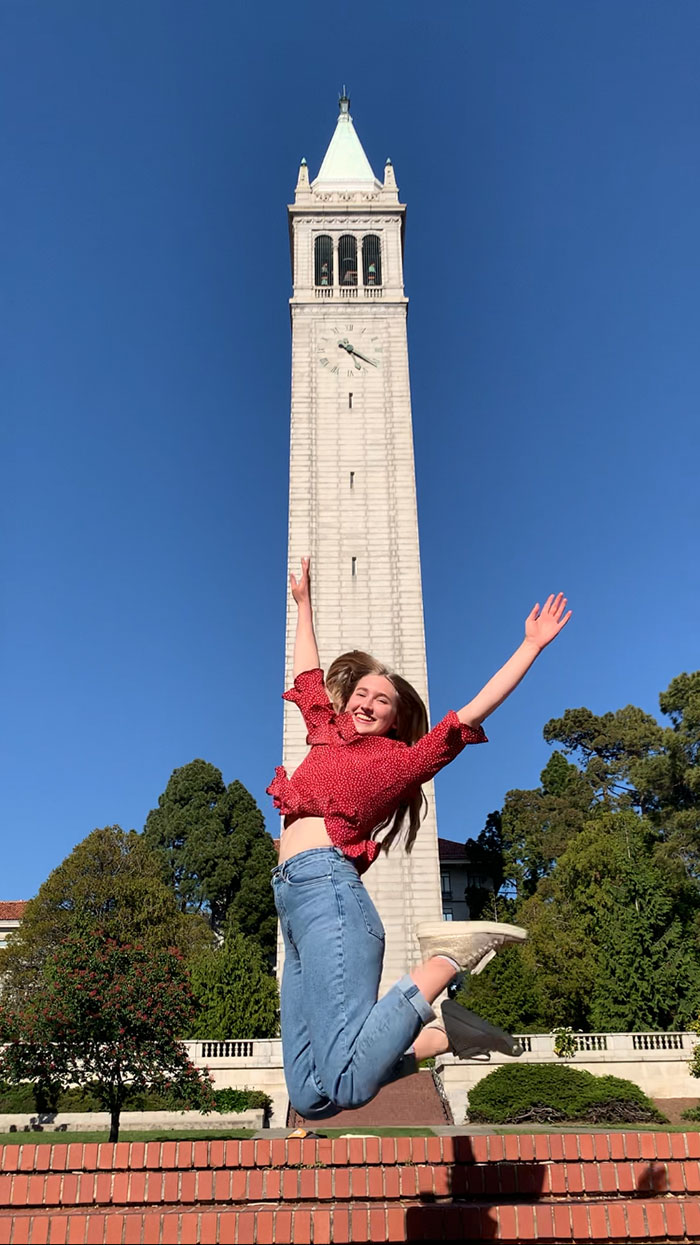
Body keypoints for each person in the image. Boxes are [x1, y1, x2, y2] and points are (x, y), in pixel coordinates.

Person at [268, 558, 571, 1119]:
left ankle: (444, 963)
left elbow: (468, 715)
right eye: (360, 692)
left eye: (381, 700)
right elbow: (307, 673)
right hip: (291, 903)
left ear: (395, 717)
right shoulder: (325, 733)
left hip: (330, 898)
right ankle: (438, 1038)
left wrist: (530, 647)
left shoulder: (402, 763)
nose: (366, 702)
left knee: (350, 1084)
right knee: (311, 1095)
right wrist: (303, 604)